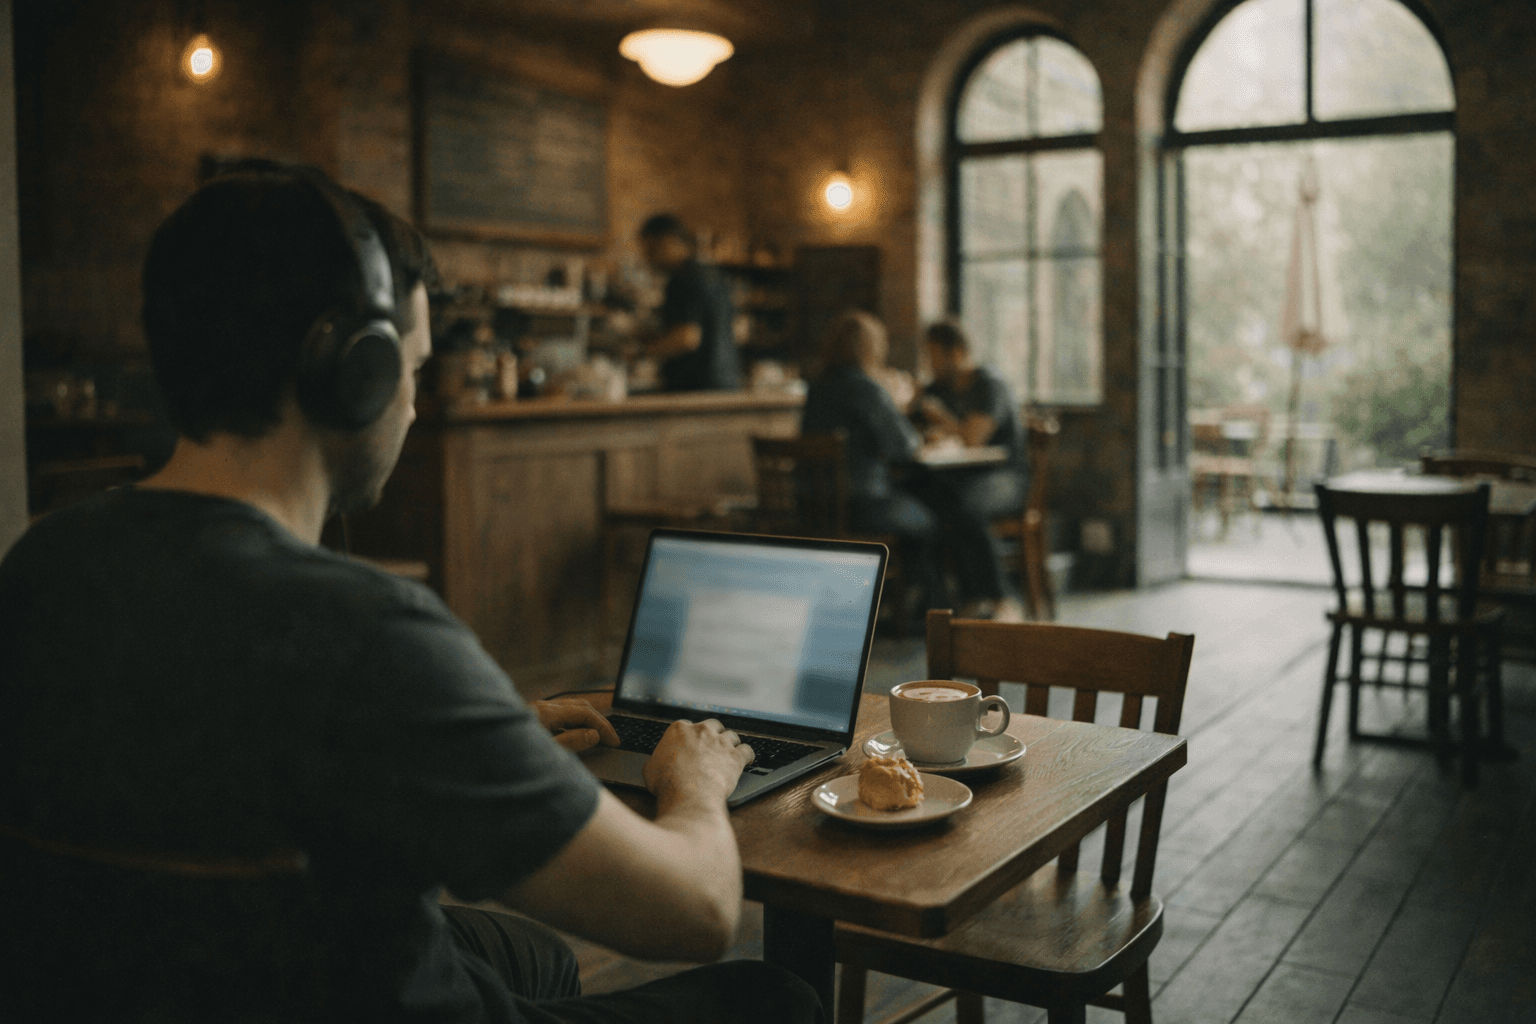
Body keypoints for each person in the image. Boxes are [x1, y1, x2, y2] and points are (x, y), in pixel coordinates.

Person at [0, 165, 820, 1024]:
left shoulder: (43, 559)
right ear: (354, 371)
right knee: (778, 998)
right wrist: (693, 781)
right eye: (415, 371)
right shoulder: (369, 636)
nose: (417, 407)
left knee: (531, 953)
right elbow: (695, 913)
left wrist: (472, 741)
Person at [801, 309, 943, 616]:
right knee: (933, 520)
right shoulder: (866, 388)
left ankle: (880, 603)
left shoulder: (817, 387)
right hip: (862, 505)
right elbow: (905, 446)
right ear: (870, 348)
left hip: (813, 507)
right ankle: (920, 612)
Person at [911, 318, 1030, 622]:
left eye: (934, 355)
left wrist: (939, 416)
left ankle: (1002, 598)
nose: (930, 363)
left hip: (1007, 477)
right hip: (963, 478)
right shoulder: (940, 386)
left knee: (966, 505)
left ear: (957, 352)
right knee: (934, 500)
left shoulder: (990, 385)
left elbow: (972, 439)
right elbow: (913, 417)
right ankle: (958, 600)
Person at [636, 213, 741, 392]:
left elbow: (687, 338)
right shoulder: (714, 275)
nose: (648, 259)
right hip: (727, 382)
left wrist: (641, 353)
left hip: (695, 387)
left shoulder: (681, 279)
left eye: (651, 250)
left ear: (668, 241)